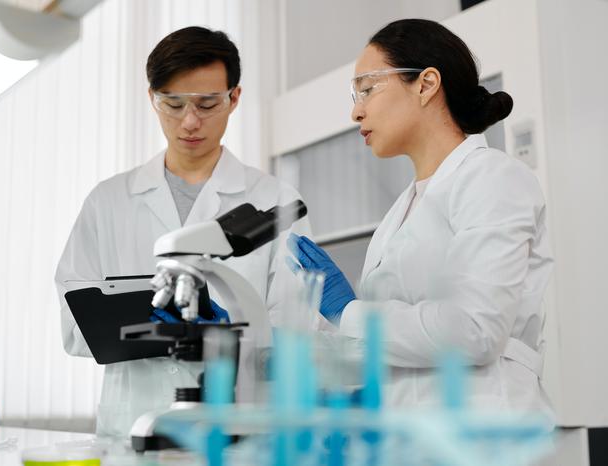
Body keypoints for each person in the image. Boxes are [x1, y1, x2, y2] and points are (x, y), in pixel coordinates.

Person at [287, 19, 553, 417]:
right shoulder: (403, 209)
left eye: (367, 89)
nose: (356, 112)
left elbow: (474, 330)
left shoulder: (494, 178)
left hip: (490, 431)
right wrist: (246, 334)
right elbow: (388, 338)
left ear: (427, 84)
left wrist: (348, 311)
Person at [56, 26, 310, 437]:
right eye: (173, 104)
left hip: (236, 423)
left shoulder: (273, 198)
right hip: (134, 422)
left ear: (235, 98)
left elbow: (299, 325)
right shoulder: (108, 201)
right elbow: (73, 324)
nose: (190, 121)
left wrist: (233, 332)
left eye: (208, 104)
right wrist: (147, 329)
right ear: (152, 99)